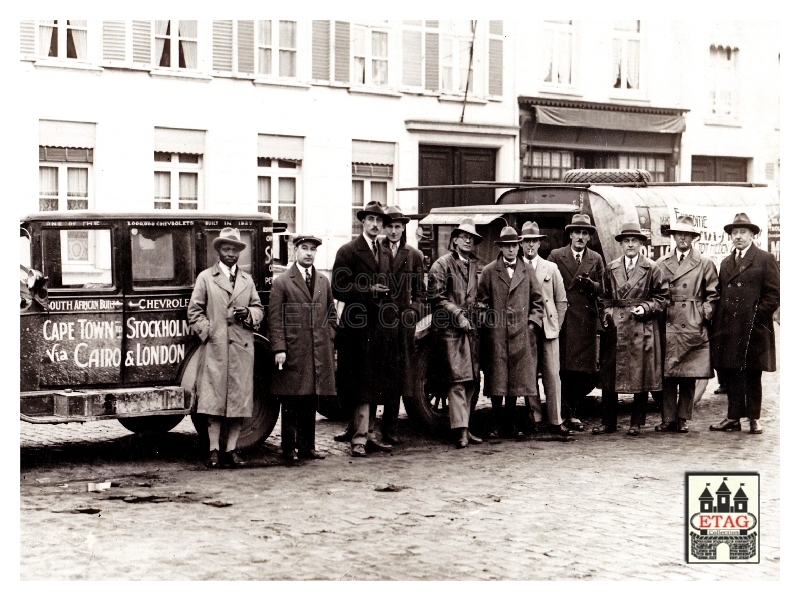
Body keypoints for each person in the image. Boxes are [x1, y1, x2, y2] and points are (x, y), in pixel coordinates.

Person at [187, 227, 264, 468]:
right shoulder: (206, 278)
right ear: (219, 251)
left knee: (238, 402)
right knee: (214, 402)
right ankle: (212, 450)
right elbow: (194, 311)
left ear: (240, 253)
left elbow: (259, 308)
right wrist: (209, 330)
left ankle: (231, 449)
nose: (230, 254)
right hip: (216, 349)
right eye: (226, 249)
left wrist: (249, 314)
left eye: (235, 250)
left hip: (241, 350)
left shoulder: (246, 280)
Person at [331, 200, 398, 457]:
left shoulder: (384, 252)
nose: (375, 225)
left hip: (380, 327)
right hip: (357, 328)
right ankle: (358, 439)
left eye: (379, 221)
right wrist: (368, 291)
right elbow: (338, 288)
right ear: (362, 222)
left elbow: (390, 285)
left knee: (376, 381)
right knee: (360, 383)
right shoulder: (348, 251)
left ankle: (370, 434)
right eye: (370, 220)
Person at [593, 223, 669, 436]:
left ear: (640, 244)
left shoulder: (652, 267)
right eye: (626, 241)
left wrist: (645, 307)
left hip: (641, 326)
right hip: (616, 326)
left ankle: (636, 423)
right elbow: (603, 296)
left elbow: (662, 298)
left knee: (640, 374)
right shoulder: (611, 267)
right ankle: (608, 422)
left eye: (634, 240)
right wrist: (607, 313)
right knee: (610, 374)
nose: (630, 245)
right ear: (621, 244)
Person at [710, 213, 780, 435]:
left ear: (752, 235)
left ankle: (754, 418)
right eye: (734, 233)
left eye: (742, 232)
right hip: (729, 329)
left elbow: (774, 294)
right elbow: (720, 294)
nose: (738, 237)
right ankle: (733, 418)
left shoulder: (765, 258)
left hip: (754, 329)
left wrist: (756, 317)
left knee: (752, 374)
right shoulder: (725, 263)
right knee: (732, 373)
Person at [269, 234, 337, 462]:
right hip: (293, 350)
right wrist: (279, 348)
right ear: (295, 251)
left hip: (317, 350)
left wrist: (330, 335)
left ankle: (307, 447)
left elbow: (331, 314)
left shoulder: (322, 281)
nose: (309, 253)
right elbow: (275, 319)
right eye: (304, 248)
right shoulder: (283, 282)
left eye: (313, 249)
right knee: (291, 401)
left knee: (310, 399)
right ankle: (288, 448)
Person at [478, 225, 545, 440]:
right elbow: (481, 301)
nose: (510, 250)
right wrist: (489, 323)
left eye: (514, 246)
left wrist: (532, 324)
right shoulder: (489, 271)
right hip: (497, 335)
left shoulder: (527, 270)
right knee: (497, 380)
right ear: (500, 247)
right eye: (506, 246)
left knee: (516, 382)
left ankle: (513, 424)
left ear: (519, 246)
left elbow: (537, 301)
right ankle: (497, 423)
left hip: (521, 334)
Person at [654, 215, 720, 433]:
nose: (682, 238)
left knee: (689, 373)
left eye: (687, 235)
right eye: (678, 234)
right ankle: (668, 418)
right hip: (669, 321)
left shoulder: (705, 263)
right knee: (669, 372)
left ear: (693, 238)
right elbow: (656, 292)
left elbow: (713, 294)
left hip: (693, 320)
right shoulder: (662, 263)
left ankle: (683, 418)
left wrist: (703, 313)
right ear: (673, 237)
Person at [427, 218, 486, 449]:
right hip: (450, 331)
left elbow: (474, 297)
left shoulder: (473, 265)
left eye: (472, 238)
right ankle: (460, 432)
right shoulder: (441, 265)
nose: (468, 240)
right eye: (464, 236)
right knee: (457, 381)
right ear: (454, 240)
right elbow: (437, 298)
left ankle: (466, 428)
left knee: (472, 380)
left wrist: (479, 310)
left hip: (471, 330)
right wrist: (458, 315)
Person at [547, 214, 605, 431]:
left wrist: (592, 285)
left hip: (585, 322)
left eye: (585, 233)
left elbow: (604, 288)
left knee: (584, 373)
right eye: (577, 233)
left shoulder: (595, 259)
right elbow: (548, 284)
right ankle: (565, 413)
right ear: (570, 235)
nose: (580, 237)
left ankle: (572, 410)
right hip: (564, 320)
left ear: (589, 237)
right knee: (562, 369)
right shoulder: (555, 256)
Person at [378, 206, 426, 445]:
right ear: (384, 228)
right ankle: (359, 427)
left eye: (398, 226)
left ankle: (390, 427)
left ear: (404, 227)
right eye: (390, 226)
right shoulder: (377, 251)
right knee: (373, 374)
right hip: (377, 323)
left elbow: (420, 292)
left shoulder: (414, 255)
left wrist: (412, 312)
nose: (394, 231)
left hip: (402, 325)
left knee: (398, 376)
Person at [519, 221, 571, 437]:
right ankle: (536, 418)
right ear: (521, 244)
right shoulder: (517, 267)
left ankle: (555, 420)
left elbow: (562, 301)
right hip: (526, 329)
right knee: (529, 375)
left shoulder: (551, 268)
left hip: (548, 329)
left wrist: (555, 326)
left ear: (540, 244)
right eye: (526, 241)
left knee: (552, 374)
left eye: (534, 241)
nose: (530, 245)